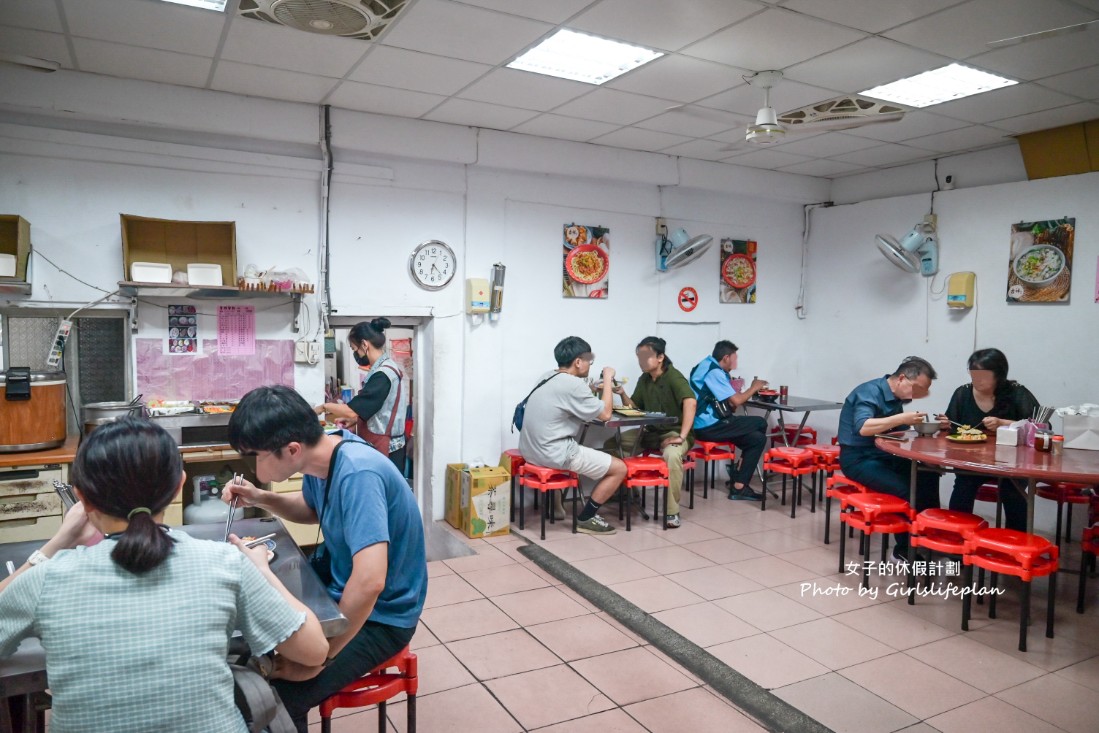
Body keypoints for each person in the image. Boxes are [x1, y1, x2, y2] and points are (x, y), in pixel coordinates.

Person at [0, 417, 327, 733]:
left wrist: (56, 544)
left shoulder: (48, 580)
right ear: (178, 486)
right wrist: (259, 568)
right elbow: (313, 650)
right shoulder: (225, 563)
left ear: (81, 497)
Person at [225, 385, 427, 733]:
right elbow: (310, 509)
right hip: (342, 589)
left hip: (384, 615)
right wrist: (259, 497)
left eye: (255, 454)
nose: (253, 464)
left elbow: (370, 581)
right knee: (262, 644)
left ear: (291, 450)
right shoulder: (325, 453)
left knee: (282, 698)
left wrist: (324, 656)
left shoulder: (358, 473)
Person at [518, 336, 627, 535]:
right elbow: (606, 414)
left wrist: (593, 389)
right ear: (578, 362)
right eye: (588, 361)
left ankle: (559, 508)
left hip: (530, 450)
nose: (589, 365)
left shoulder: (547, 376)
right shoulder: (573, 385)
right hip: (553, 453)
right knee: (620, 468)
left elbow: (565, 399)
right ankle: (587, 518)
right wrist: (609, 380)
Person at [837, 356, 943, 561]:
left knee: (928, 475)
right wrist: (902, 418)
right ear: (902, 378)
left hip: (884, 455)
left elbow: (898, 433)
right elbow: (863, 427)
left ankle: (926, 535)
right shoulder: (869, 392)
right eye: (918, 388)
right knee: (905, 489)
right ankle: (903, 548)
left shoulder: (896, 398)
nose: (919, 395)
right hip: (858, 459)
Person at [938, 348, 1039, 531]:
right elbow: (952, 426)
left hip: (1012, 462)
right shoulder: (963, 393)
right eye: (973, 374)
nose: (977, 380)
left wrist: (1004, 423)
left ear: (999, 375)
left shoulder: (1017, 393)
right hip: (972, 460)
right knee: (964, 484)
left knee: (1012, 490)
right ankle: (957, 539)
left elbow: (1039, 428)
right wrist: (945, 424)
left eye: (983, 375)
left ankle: (1014, 544)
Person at [610, 336, 696, 528]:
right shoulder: (645, 379)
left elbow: (690, 402)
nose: (641, 361)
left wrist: (681, 436)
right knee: (611, 445)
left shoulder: (674, 377)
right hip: (650, 433)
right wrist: (622, 393)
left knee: (672, 455)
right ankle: (624, 492)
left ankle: (672, 512)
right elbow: (635, 408)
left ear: (660, 357)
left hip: (673, 433)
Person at [316, 318, 408, 470]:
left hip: (388, 448)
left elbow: (352, 410)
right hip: (384, 443)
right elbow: (378, 407)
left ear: (365, 345)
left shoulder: (383, 374)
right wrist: (355, 422)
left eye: (355, 349)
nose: (356, 354)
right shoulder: (386, 368)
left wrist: (324, 407)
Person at [689, 340, 769, 500]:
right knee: (760, 422)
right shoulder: (714, 372)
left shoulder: (704, 365)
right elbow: (736, 401)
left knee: (757, 439)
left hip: (702, 423)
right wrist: (755, 387)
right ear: (726, 357)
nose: (736, 362)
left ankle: (739, 484)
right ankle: (738, 475)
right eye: (735, 358)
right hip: (708, 426)